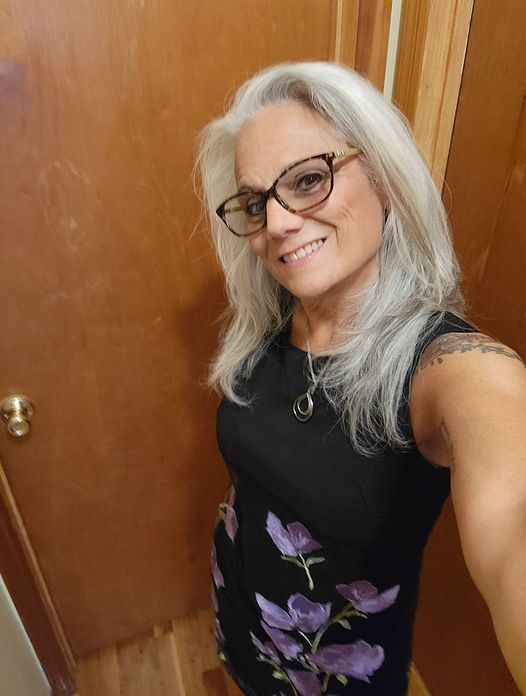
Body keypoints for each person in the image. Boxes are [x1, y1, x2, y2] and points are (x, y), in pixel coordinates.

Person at [197, 61, 526, 695]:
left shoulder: (447, 368)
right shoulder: (271, 321)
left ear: (383, 177)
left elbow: (513, 510)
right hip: (241, 610)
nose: (277, 224)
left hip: (342, 670)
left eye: (308, 179)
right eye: (256, 203)